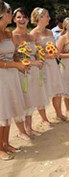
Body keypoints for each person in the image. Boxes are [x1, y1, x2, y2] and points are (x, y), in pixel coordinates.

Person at [12, 8, 49, 139]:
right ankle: (21, 131)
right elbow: (14, 57)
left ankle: (29, 128)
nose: (22, 20)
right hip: (21, 72)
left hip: (33, 73)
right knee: (21, 101)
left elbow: (37, 51)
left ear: (28, 19)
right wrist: (32, 63)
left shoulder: (30, 36)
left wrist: (39, 59)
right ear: (14, 19)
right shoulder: (13, 36)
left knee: (30, 100)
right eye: (19, 17)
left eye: (24, 17)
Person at [30, 7, 68, 124]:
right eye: (47, 16)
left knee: (57, 90)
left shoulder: (50, 32)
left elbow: (54, 46)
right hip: (42, 66)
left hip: (53, 66)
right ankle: (44, 118)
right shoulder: (33, 34)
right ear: (40, 18)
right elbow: (32, 52)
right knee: (42, 91)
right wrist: (46, 56)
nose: (49, 18)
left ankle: (59, 113)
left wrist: (56, 51)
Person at [0, 0, 28, 160]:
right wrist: (15, 65)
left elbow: (13, 53)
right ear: (3, 14)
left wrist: (20, 59)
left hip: (11, 76)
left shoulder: (9, 33)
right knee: (1, 111)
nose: (12, 15)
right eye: (10, 12)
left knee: (9, 109)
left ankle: (5, 143)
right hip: (2, 77)